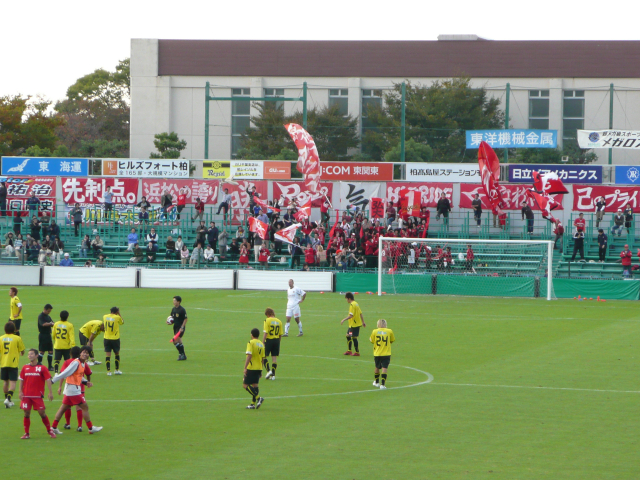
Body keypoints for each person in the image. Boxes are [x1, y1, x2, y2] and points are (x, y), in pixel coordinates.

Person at [50, 346, 103, 435]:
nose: (85, 354)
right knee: (84, 407)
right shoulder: (76, 363)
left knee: (63, 408)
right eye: (84, 352)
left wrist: (86, 382)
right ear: (80, 353)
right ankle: (90, 428)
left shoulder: (82, 363)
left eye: (87, 353)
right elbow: (66, 372)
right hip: (73, 389)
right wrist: (53, 380)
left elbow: (78, 376)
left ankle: (53, 427)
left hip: (70, 389)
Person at [18, 349, 56, 439]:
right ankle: (26, 433)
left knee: (42, 413)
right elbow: (21, 380)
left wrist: (50, 392)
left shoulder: (42, 368)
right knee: (26, 413)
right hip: (26, 395)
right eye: (28, 354)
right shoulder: (25, 367)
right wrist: (20, 391)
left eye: (31, 354)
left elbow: (48, 380)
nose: (29, 356)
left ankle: (49, 430)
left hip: (37, 395)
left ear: (36, 356)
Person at [59, 347, 93, 432]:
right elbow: (88, 373)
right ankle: (80, 426)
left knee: (66, 407)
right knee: (80, 407)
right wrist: (88, 382)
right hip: (79, 388)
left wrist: (59, 386)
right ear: (80, 353)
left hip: (70, 388)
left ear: (70, 354)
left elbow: (63, 374)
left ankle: (67, 423)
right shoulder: (82, 363)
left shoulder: (67, 362)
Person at [1, 322, 25, 408]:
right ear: (14, 329)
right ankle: (8, 399)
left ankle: (8, 401)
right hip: (13, 363)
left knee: (5, 382)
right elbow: (22, 351)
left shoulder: (1, 338)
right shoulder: (17, 338)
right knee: (13, 383)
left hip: (3, 363)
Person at [243, 328, 265, 410]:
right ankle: (252, 404)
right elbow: (263, 358)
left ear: (251, 335)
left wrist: (245, 367)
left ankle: (258, 398)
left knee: (245, 385)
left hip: (252, 367)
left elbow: (249, 355)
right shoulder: (261, 344)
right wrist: (261, 370)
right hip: (259, 367)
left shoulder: (251, 342)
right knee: (255, 386)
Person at [369, 319, 395, 389]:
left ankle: (376, 382)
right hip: (386, 353)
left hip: (377, 353)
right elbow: (392, 340)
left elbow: (372, 341)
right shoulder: (389, 331)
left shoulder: (374, 331)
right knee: (384, 368)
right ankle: (382, 385)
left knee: (377, 367)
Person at [340, 292, 365, 356]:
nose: (346, 300)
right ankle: (349, 351)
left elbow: (351, 315)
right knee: (349, 336)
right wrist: (363, 322)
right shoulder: (356, 304)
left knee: (353, 337)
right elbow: (360, 313)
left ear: (349, 298)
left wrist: (343, 320)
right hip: (354, 325)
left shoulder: (352, 305)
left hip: (354, 325)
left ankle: (356, 352)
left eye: (346, 299)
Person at [262, 308, 282, 380]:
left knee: (263, 357)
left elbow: (266, 332)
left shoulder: (267, 320)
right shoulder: (279, 321)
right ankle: (273, 375)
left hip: (269, 340)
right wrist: (278, 342)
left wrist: (263, 342)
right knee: (274, 358)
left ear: (267, 314)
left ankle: (269, 371)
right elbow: (280, 334)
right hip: (276, 340)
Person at [103, 307, 123, 376]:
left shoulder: (105, 316)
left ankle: (108, 371)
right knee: (116, 353)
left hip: (106, 338)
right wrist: (119, 314)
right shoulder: (117, 317)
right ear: (117, 311)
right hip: (115, 338)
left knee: (108, 354)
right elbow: (122, 322)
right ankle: (116, 370)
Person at [169, 296, 188, 361]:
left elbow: (185, 319)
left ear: (178, 302)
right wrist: (169, 322)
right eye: (173, 300)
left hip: (180, 328)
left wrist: (182, 327)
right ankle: (183, 355)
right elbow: (172, 318)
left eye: (175, 300)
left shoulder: (182, 309)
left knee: (175, 341)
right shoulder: (173, 309)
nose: (173, 302)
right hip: (175, 327)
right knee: (179, 341)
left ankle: (181, 354)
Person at [37, 304, 55, 371]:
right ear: (45, 309)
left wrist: (54, 324)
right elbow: (43, 324)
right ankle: (39, 364)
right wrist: (51, 324)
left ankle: (50, 366)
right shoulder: (40, 316)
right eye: (48, 311)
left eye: (50, 311)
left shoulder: (48, 316)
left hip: (48, 335)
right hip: (43, 335)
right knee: (42, 351)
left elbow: (52, 323)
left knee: (50, 351)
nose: (49, 312)